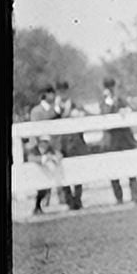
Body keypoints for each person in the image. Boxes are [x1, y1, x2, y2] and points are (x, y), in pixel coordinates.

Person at [100, 77, 137, 205]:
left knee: (131, 168)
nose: (112, 89)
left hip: (125, 138)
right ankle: (119, 197)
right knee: (114, 171)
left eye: (112, 86)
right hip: (112, 140)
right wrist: (111, 103)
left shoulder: (121, 100)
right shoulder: (104, 103)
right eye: (109, 87)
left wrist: (125, 110)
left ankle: (134, 195)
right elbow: (105, 115)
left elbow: (131, 108)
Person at [54, 80, 87, 210]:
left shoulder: (73, 104)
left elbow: (83, 115)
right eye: (60, 91)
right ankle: (69, 199)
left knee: (77, 169)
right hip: (60, 142)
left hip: (75, 141)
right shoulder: (54, 107)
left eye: (64, 91)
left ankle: (78, 199)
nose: (63, 93)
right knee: (62, 171)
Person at [29, 86, 59, 213]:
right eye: (49, 93)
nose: (51, 96)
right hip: (40, 146)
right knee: (42, 177)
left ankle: (45, 202)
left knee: (51, 175)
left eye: (52, 93)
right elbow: (36, 129)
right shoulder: (37, 111)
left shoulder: (54, 109)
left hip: (51, 145)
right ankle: (38, 204)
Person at [25, 135, 63, 215]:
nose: (45, 144)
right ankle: (37, 207)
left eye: (46, 142)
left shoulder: (50, 149)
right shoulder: (34, 149)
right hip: (36, 174)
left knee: (44, 190)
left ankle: (39, 207)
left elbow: (59, 155)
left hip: (47, 174)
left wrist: (53, 157)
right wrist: (44, 158)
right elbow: (30, 158)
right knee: (41, 191)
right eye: (43, 142)